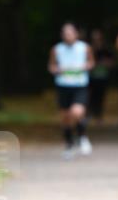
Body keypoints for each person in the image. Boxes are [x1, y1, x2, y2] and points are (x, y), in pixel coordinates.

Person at [48, 23, 94, 159]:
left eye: (70, 33)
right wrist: (55, 70)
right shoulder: (56, 49)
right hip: (63, 86)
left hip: (79, 85)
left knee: (77, 112)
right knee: (66, 118)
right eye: (65, 33)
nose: (68, 36)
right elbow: (51, 65)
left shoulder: (84, 48)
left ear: (76, 34)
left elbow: (91, 62)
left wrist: (86, 66)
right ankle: (69, 144)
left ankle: (82, 136)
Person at [88, 29, 114, 122]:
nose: (96, 40)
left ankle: (98, 116)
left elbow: (111, 63)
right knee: (90, 96)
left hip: (103, 77)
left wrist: (104, 63)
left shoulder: (106, 50)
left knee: (101, 97)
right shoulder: (89, 49)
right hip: (90, 77)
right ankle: (89, 115)